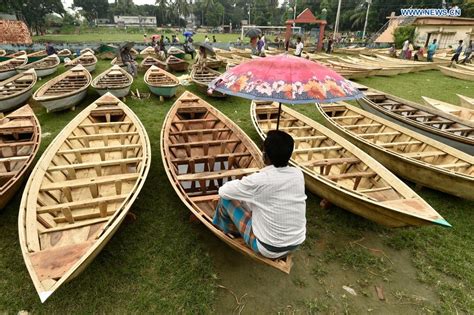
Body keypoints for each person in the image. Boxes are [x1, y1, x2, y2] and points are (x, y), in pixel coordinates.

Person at [213, 130, 306, 259]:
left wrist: (243, 185)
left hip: (267, 248)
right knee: (254, 201)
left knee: (225, 200)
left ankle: (229, 230)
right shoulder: (298, 174)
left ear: (265, 156)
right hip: (296, 242)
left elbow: (223, 191)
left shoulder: (259, 180)